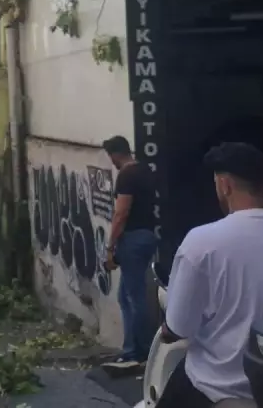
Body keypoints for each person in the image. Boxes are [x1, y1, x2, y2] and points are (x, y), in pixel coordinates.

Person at [156, 142, 263, 408]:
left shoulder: (201, 241)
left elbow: (179, 328)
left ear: (224, 185)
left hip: (218, 385)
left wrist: (166, 329)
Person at [101, 135, 159, 369]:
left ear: (115, 154)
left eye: (110, 156)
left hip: (132, 238)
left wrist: (111, 245)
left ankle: (139, 351)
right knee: (126, 295)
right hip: (147, 235)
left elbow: (121, 213)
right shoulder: (145, 170)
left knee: (134, 297)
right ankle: (133, 348)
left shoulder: (126, 175)